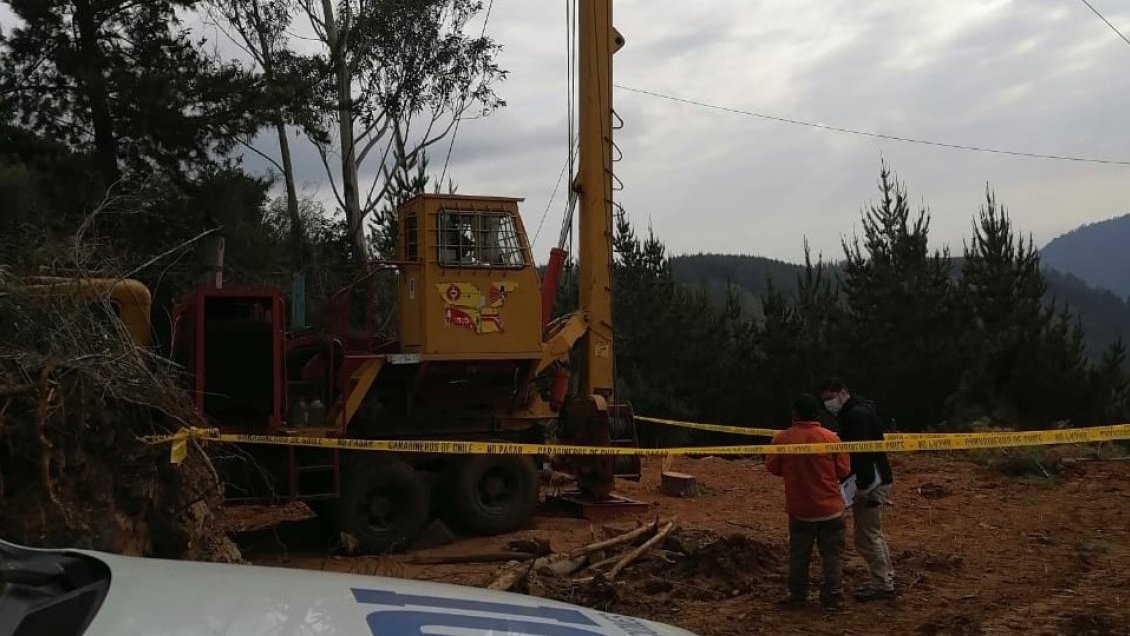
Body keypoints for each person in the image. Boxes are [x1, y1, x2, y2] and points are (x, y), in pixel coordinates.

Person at [766, 394, 851, 612]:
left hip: (801, 510)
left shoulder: (782, 439)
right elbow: (844, 470)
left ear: (795, 414)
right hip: (831, 509)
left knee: (799, 555)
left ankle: (798, 596)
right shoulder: (831, 438)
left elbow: (772, 468)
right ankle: (833, 598)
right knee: (833, 556)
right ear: (816, 413)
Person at [819, 377, 896, 601]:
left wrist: (862, 486)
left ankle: (882, 584)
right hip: (874, 479)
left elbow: (863, 453)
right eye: (825, 401)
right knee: (871, 534)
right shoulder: (859, 410)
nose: (828, 405)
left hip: (872, 482)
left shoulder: (856, 416)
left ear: (842, 392)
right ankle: (883, 579)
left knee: (867, 536)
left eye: (831, 399)